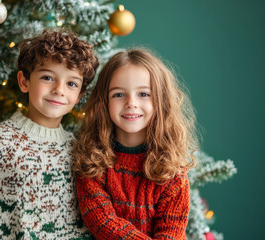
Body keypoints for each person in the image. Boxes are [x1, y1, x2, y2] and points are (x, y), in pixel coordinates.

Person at [0, 29, 99, 240]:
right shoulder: (3, 139)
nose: (59, 90)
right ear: (24, 81)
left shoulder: (76, 148)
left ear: (79, 95)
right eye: (47, 77)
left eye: (71, 83)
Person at [73, 48, 198, 240]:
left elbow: (172, 232)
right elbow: (103, 223)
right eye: (118, 95)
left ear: (161, 101)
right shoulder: (92, 160)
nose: (131, 103)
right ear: (103, 102)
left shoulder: (172, 170)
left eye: (144, 94)